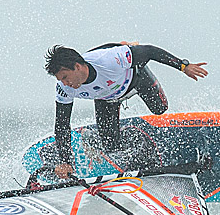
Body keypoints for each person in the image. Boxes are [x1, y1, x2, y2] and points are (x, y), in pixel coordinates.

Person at [44, 41, 208, 179]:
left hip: (136, 80)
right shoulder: (65, 88)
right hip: (107, 98)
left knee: (160, 108)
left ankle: (124, 45)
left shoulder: (109, 60)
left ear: (77, 67)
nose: (64, 83)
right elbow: (62, 125)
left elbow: (150, 51)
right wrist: (66, 162)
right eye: (60, 80)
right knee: (111, 146)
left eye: (65, 77)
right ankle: (95, 138)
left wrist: (183, 66)